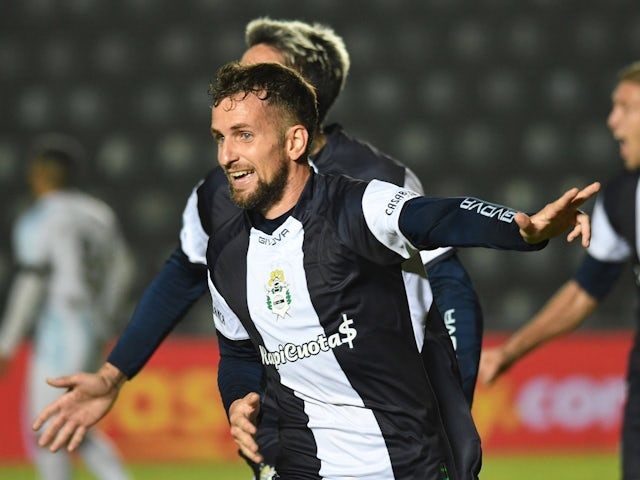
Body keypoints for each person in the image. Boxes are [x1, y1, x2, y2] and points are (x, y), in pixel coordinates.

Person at [33, 62, 599, 480]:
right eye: (220, 139)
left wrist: (523, 230)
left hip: (404, 460)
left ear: (296, 140)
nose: (227, 155)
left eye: (245, 136)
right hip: (299, 462)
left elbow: (437, 217)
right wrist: (236, 401)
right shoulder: (227, 253)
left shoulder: (356, 206)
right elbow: (235, 354)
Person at [478, 60, 640, 480]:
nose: (612, 120)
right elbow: (586, 290)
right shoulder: (621, 197)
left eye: (625, 107)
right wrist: (510, 352)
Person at [0, 134, 133, 480]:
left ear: (40, 173)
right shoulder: (99, 214)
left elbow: (33, 281)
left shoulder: (38, 219)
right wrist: (105, 318)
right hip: (93, 331)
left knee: (45, 428)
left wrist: (7, 342)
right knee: (77, 425)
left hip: (60, 333)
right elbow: (124, 270)